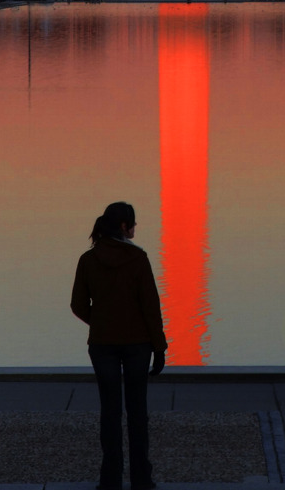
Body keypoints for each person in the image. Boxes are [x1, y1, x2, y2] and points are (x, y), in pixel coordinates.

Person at [71, 202, 167, 490]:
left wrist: (100, 322)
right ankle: (141, 478)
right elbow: (151, 306)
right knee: (138, 412)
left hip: (102, 345)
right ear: (124, 227)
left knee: (109, 412)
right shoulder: (138, 259)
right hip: (138, 344)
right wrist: (159, 347)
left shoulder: (88, 260)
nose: (136, 228)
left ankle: (110, 479)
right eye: (133, 223)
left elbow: (78, 305)